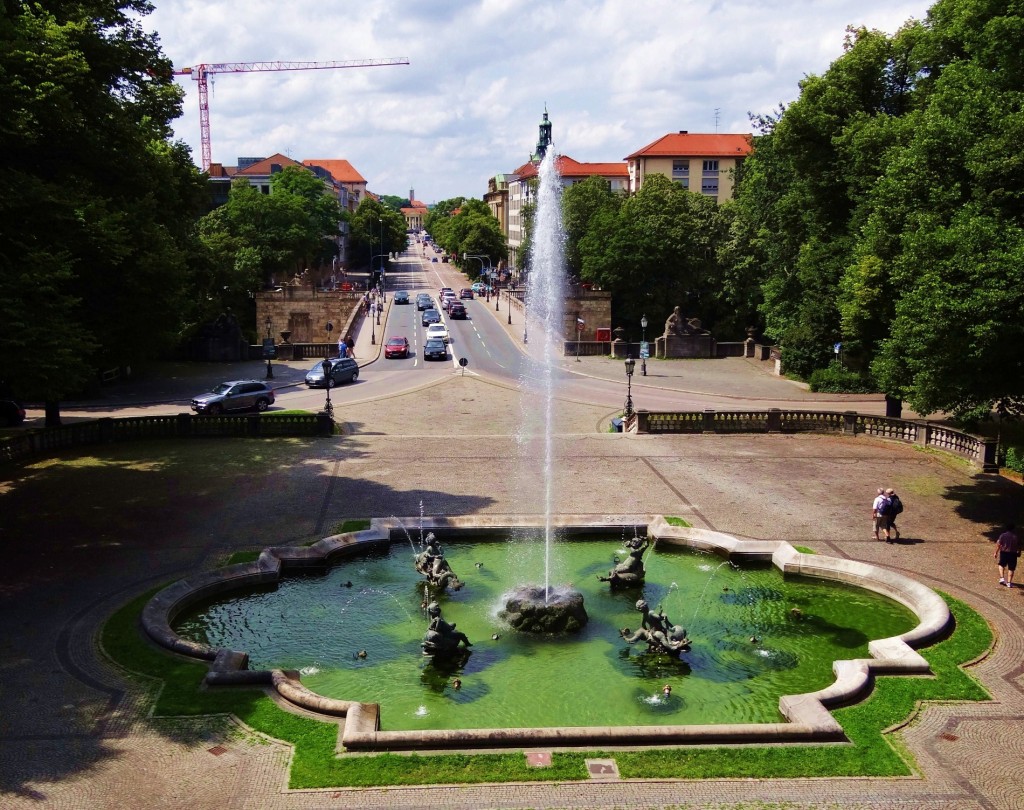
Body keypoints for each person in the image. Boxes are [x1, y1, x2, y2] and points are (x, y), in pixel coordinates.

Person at [995, 524, 1020, 588]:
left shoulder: (1003, 535)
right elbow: (1018, 546)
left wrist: (996, 552)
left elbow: (999, 544)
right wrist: (1019, 552)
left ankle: (1002, 577)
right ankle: (1009, 583)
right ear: (1013, 529)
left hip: (1004, 553)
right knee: (1011, 568)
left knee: (1001, 565)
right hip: (1013, 554)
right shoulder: (1015, 537)